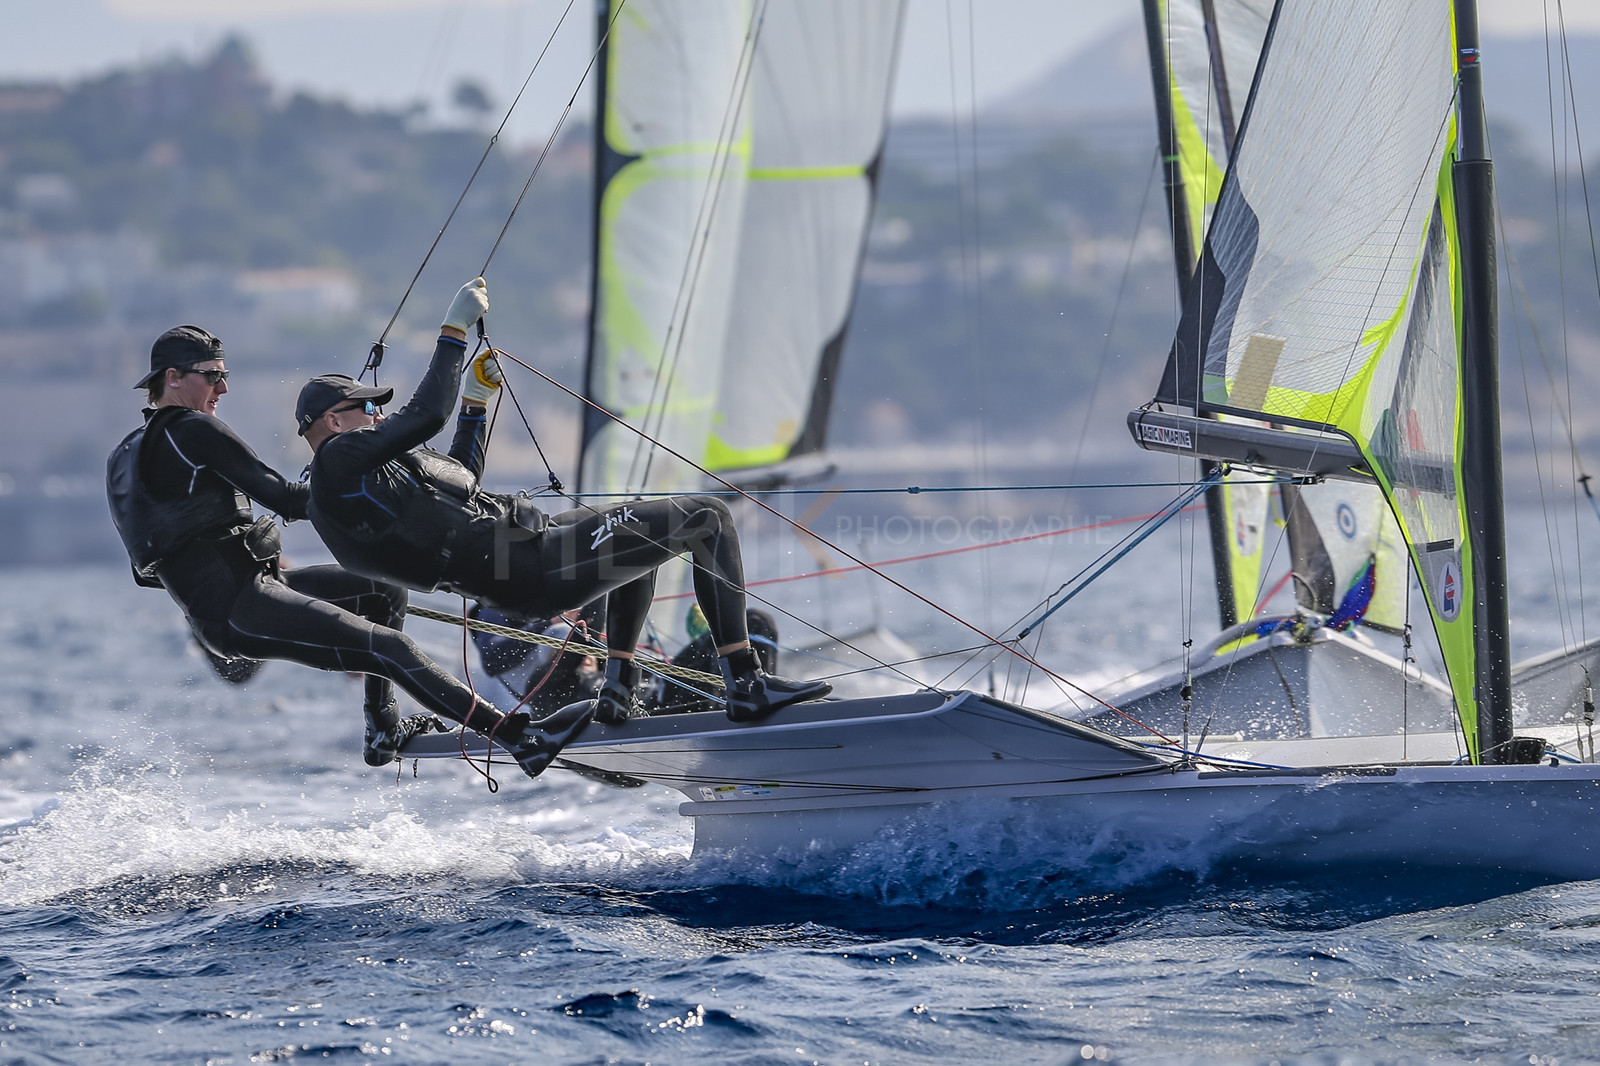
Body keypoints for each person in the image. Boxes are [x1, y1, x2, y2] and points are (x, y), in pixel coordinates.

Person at [299, 277, 832, 726]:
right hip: (525, 567)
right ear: (331, 421)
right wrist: (452, 331)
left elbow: (460, 476)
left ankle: (619, 689)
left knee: (643, 530)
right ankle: (745, 682)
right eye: (363, 407)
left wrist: (476, 405)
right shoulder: (338, 463)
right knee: (707, 518)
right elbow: (423, 415)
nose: (374, 416)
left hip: (514, 555)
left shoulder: (358, 481)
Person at [105, 323, 589, 779]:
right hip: (239, 606)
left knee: (384, 592)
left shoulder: (124, 455)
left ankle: (382, 727)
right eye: (212, 376)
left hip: (241, 598)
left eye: (224, 376)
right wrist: (354, 482)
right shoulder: (191, 430)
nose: (223, 389)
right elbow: (289, 501)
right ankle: (520, 739)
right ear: (173, 378)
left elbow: (146, 569)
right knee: (391, 648)